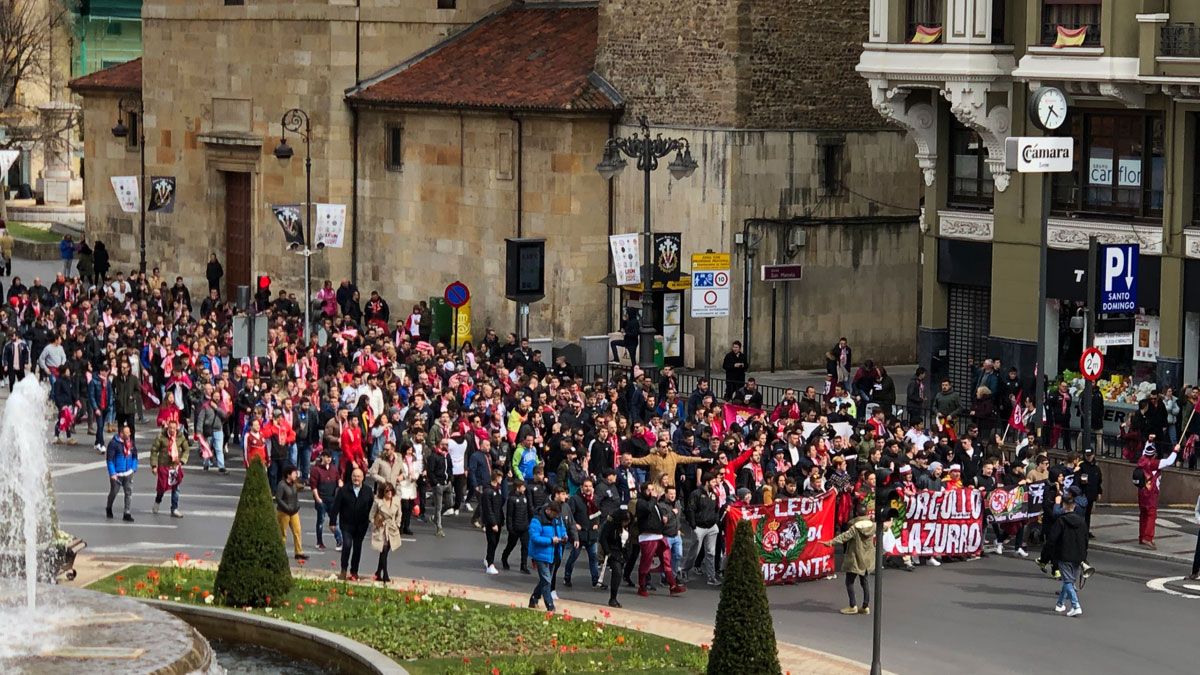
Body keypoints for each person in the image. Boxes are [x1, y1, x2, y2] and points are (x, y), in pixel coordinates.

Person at [822, 502, 875, 615]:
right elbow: (884, 527)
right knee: (864, 582)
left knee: (849, 582)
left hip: (855, 558)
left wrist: (830, 542)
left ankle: (853, 605)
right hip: (867, 559)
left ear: (856, 513)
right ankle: (865, 606)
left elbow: (843, 537)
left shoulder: (854, 527)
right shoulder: (872, 525)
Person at [1047, 492, 1088, 617]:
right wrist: (1083, 556)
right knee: (1070, 580)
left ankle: (1076, 605)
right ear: (1074, 506)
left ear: (1063, 505)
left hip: (1064, 554)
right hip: (1078, 555)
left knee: (1068, 581)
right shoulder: (1082, 521)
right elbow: (1085, 540)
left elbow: (1052, 539)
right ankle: (1060, 604)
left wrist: (1047, 555)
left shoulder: (1061, 521)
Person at [332, 467, 374, 581]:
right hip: (346, 524)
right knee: (347, 545)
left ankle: (354, 571)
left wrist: (373, 520)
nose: (356, 478)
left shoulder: (368, 490)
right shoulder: (343, 490)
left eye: (359, 476)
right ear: (351, 477)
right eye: (354, 476)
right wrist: (332, 522)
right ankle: (343, 570)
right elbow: (336, 507)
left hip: (361, 525)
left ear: (363, 478)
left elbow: (372, 507)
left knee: (357, 547)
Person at [1137, 437, 1178, 549]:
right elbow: (1169, 461)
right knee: (1151, 515)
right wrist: (1175, 451)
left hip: (1141, 492)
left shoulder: (1141, 460)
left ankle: (1141, 537)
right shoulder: (1154, 463)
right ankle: (1148, 538)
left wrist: (1149, 441)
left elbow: (1145, 449)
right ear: (1154, 454)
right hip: (1151, 493)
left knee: (1143, 515)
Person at [528, 501, 567, 612]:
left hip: (554, 553)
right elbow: (534, 538)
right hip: (541, 554)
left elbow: (562, 529)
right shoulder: (537, 520)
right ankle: (550, 605)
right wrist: (550, 540)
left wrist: (564, 536)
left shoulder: (557, 518)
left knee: (545, 579)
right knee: (546, 580)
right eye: (554, 514)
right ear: (548, 510)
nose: (556, 517)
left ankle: (534, 598)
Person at [685, 472, 723, 586]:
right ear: (707, 482)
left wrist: (715, 521)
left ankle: (711, 578)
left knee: (711, 553)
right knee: (694, 552)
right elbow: (690, 509)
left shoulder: (714, 494)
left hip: (712, 527)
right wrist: (693, 526)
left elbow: (717, 509)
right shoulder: (696, 494)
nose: (715, 484)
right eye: (713, 482)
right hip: (699, 527)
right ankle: (684, 571)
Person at [150, 419, 190, 518]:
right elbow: (154, 451)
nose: (172, 430)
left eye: (174, 428)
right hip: (164, 466)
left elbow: (186, 450)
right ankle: (158, 501)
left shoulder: (180, 437)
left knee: (176, 488)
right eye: (170, 428)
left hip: (175, 466)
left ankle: (174, 508)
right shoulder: (161, 437)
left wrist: (182, 461)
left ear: (177, 427)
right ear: (168, 427)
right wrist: (154, 466)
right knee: (162, 488)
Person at [310, 451, 343, 551]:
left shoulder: (333, 468)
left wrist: (340, 483)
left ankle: (339, 541)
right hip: (322, 499)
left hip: (332, 499)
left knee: (333, 522)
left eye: (330, 457)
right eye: (327, 457)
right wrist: (318, 498)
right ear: (322, 457)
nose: (329, 459)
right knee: (321, 520)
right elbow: (314, 486)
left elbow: (338, 479)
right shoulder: (316, 470)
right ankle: (319, 542)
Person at [105, 423, 138, 522]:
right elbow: (109, 460)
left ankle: (127, 512)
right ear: (121, 433)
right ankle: (109, 507)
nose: (128, 434)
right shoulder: (114, 444)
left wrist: (133, 468)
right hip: (117, 474)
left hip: (128, 472)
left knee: (128, 493)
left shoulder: (131, 442)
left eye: (129, 432)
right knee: (114, 493)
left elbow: (135, 456)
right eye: (126, 433)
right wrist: (112, 473)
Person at [370, 482, 402, 583]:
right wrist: (376, 523)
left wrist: (397, 524)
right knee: (383, 551)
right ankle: (385, 575)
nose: (389, 493)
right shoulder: (378, 502)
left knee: (385, 552)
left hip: (392, 529)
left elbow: (399, 514)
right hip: (382, 529)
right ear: (382, 492)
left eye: (391, 490)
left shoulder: (396, 501)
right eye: (387, 491)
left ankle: (378, 572)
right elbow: (371, 515)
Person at [599, 510, 632, 608]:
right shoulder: (610, 525)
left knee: (618, 575)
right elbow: (603, 538)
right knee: (617, 572)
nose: (627, 523)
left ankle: (614, 597)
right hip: (612, 551)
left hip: (622, 553)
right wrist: (608, 551)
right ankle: (612, 598)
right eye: (625, 521)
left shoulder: (627, 527)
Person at [275, 465, 307, 560]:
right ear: (288, 474)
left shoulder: (293, 484)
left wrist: (297, 506)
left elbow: (296, 495)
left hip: (294, 512)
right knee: (282, 533)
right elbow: (278, 499)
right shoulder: (281, 485)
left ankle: (299, 552)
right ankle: (280, 552)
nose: (296, 475)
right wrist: (287, 508)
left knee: (297, 531)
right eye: (294, 473)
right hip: (283, 512)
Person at [480, 469, 506, 575]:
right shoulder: (488, 492)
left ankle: (488, 558)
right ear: (496, 478)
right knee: (492, 542)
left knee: (495, 542)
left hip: (498, 519)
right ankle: (490, 564)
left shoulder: (498, 489)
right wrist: (493, 523)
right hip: (491, 522)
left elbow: (500, 505)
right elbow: (488, 509)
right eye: (500, 477)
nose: (501, 480)